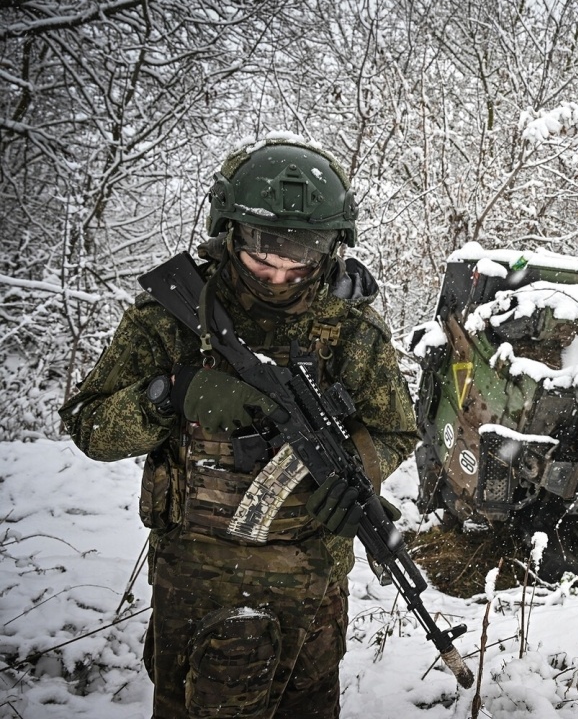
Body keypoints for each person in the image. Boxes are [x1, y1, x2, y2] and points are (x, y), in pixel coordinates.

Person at [59, 136, 418, 718]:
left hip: (314, 593)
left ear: (331, 249)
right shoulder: (173, 317)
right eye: (261, 257)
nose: (278, 276)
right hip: (200, 588)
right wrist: (171, 394)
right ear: (229, 231)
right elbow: (89, 425)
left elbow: (399, 431)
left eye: (298, 261)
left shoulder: (349, 328)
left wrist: (356, 472)